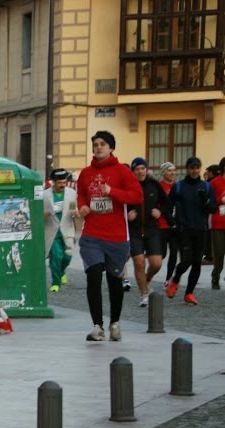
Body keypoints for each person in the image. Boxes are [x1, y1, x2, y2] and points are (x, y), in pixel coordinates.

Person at [75, 131, 143, 342]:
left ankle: (115, 322)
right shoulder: (85, 173)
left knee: (115, 281)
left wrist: (112, 191)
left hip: (116, 237)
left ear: (111, 148)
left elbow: (137, 196)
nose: (98, 147)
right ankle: (97, 326)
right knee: (93, 274)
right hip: (92, 234)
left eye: (103, 144)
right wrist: (83, 207)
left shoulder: (122, 172)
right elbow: (81, 195)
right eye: (95, 144)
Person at [165, 156, 216, 304]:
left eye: (197, 168)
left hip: (201, 229)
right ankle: (175, 279)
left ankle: (189, 293)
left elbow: (213, 208)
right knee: (186, 261)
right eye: (192, 168)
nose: (194, 171)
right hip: (184, 229)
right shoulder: (179, 187)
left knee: (196, 263)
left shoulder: (206, 187)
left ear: (200, 168)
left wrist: (206, 200)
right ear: (187, 169)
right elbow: (166, 208)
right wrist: (172, 223)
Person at [126, 157, 168, 307]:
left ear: (146, 169)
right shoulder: (128, 186)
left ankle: (148, 278)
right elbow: (120, 205)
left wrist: (160, 210)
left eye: (143, 168)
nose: (141, 171)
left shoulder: (154, 185)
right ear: (133, 172)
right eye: (137, 169)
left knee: (156, 263)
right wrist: (127, 214)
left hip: (152, 229)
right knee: (139, 262)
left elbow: (166, 202)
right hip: (135, 230)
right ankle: (144, 295)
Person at [42, 168, 78, 292]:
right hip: (52, 230)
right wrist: (43, 213)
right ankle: (56, 282)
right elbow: (37, 211)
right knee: (56, 257)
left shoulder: (71, 193)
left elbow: (73, 206)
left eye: (64, 182)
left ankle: (61, 272)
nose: (63, 185)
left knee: (67, 256)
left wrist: (75, 212)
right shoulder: (45, 195)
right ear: (54, 182)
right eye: (60, 183)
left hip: (67, 228)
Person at [157, 162, 179, 282]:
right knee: (162, 253)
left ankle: (169, 278)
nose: (173, 173)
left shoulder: (178, 186)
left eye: (174, 170)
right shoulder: (159, 186)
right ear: (163, 172)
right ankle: (150, 272)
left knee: (174, 252)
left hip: (175, 225)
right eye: (170, 170)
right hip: (161, 224)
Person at [210, 158, 225, 289]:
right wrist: (221, 199)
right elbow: (212, 201)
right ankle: (215, 278)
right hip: (219, 223)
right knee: (219, 253)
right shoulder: (215, 182)